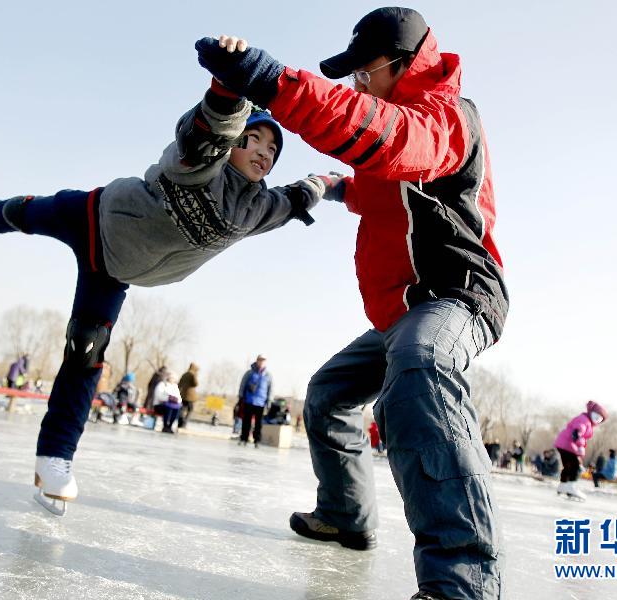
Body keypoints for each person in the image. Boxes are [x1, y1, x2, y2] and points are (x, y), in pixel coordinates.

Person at [195, 8, 509, 597]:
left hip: (456, 296)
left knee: (421, 365)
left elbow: (387, 138)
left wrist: (271, 81)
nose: (359, 86)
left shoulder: (445, 118)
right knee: (329, 394)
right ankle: (345, 515)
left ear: (403, 64)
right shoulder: (397, 135)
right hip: (403, 312)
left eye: (365, 74)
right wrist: (327, 188)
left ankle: (462, 581)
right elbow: (372, 184)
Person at [0, 82, 328, 516]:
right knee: (24, 212)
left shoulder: (257, 209)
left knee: (85, 349)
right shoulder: (200, 164)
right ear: (234, 140)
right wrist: (228, 85)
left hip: (113, 270)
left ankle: (53, 460)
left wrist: (333, 183)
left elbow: (297, 197)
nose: (264, 153)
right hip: (92, 216)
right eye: (254, 140)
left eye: (273, 149)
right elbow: (208, 128)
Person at [554, 401, 608, 501]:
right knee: (576, 466)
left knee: (568, 466)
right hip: (567, 445)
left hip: (564, 444)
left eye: (600, 419)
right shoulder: (584, 420)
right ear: (591, 413)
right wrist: (580, 448)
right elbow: (577, 433)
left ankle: (563, 485)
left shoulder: (587, 421)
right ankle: (570, 486)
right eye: (596, 416)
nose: (597, 420)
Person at [238, 354, 272, 447]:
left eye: (263, 360)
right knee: (246, 421)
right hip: (249, 401)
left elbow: (270, 389)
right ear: (257, 361)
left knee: (258, 423)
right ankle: (244, 438)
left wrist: (269, 401)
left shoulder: (268, 375)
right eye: (260, 360)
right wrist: (241, 396)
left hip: (261, 403)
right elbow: (243, 384)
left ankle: (257, 440)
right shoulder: (249, 373)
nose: (261, 362)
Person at [177, 362, 200, 428]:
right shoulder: (193, 374)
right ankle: (184, 423)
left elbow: (179, 384)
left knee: (182, 409)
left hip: (183, 395)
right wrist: (195, 375)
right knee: (190, 410)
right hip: (190, 396)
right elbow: (196, 384)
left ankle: (180, 423)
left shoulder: (184, 374)